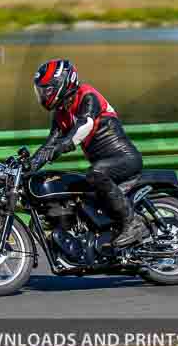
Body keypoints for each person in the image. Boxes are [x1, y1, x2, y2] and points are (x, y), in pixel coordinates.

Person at [30, 59, 147, 247]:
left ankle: (133, 223)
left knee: (96, 173)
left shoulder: (87, 95)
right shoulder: (61, 113)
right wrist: (29, 165)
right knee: (78, 193)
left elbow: (85, 125)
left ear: (62, 84)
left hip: (123, 159)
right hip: (102, 167)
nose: (44, 95)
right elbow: (49, 145)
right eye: (41, 91)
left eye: (47, 90)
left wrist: (63, 145)